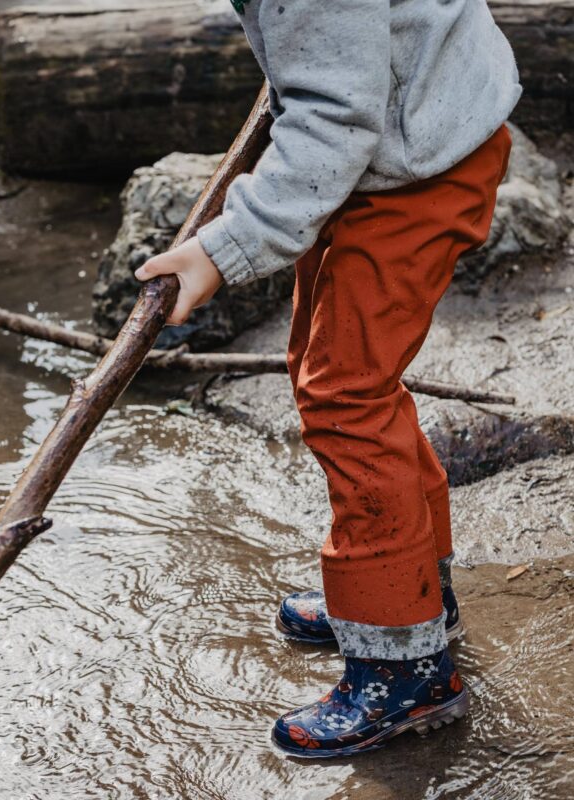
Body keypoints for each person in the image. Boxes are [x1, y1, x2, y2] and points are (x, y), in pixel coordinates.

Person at [134, 0, 522, 758]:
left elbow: (334, 121)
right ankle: (415, 599)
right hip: (409, 128)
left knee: (347, 395)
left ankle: (403, 670)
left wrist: (220, 252)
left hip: (415, 167)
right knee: (332, 367)